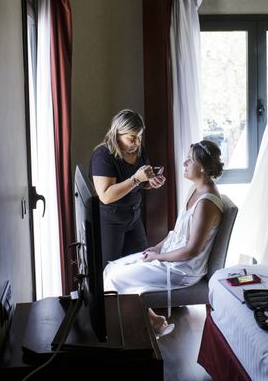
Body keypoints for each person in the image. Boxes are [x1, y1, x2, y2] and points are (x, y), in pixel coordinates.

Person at [103, 140, 224, 336]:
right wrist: (157, 248)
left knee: (115, 279)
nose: (184, 164)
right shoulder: (194, 189)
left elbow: (192, 250)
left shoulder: (206, 204)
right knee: (110, 268)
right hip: (170, 256)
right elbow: (176, 233)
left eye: (189, 161)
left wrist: (157, 258)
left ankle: (130, 333)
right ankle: (152, 321)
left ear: (201, 168)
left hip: (182, 269)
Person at [90, 109, 165, 267]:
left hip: (134, 216)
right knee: (110, 269)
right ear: (117, 134)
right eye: (132, 138)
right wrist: (137, 179)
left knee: (139, 263)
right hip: (110, 221)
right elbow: (106, 196)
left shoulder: (139, 150)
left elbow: (140, 183)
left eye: (140, 136)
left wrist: (150, 182)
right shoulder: (103, 155)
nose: (138, 142)